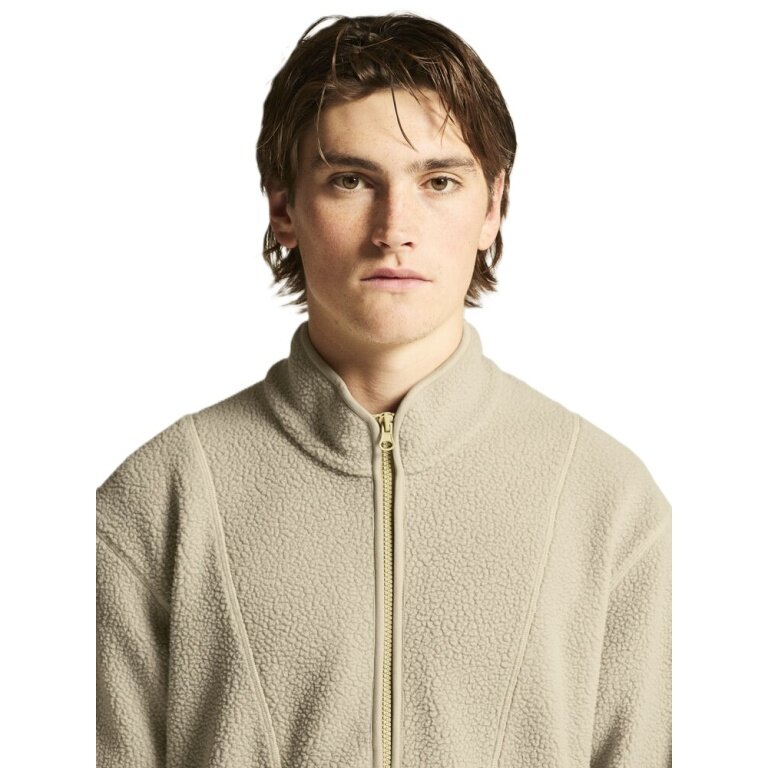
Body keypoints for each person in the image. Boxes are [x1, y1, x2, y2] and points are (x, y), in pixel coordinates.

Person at [96, 13, 671, 768]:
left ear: (492, 207)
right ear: (283, 207)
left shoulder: (610, 502)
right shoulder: (157, 499)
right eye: (351, 180)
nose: (395, 227)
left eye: (439, 182)